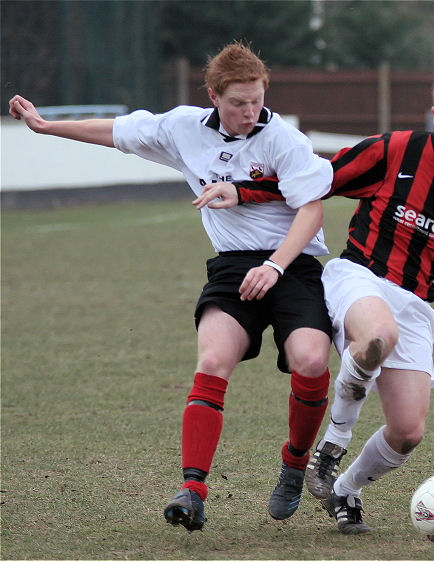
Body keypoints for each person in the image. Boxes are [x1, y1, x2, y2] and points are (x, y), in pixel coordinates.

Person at [194, 74, 434, 534]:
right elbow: (319, 179)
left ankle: (345, 490)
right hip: (359, 277)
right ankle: (331, 447)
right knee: (378, 336)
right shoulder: (394, 150)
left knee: (408, 431)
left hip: (413, 302)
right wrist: (245, 190)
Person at [9, 40, 335, 531]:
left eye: (257, 99)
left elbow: (311, 209)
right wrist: (48, 126)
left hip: (294, 263)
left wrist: (275, 267)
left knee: (311, 361)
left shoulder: (283, 140)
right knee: (211, 361)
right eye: (238, 103)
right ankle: (193, 489)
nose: (251, 111)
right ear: (213, 97)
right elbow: (117, 131)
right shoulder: (183, 128)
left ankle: (293, 464)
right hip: (231, 269)